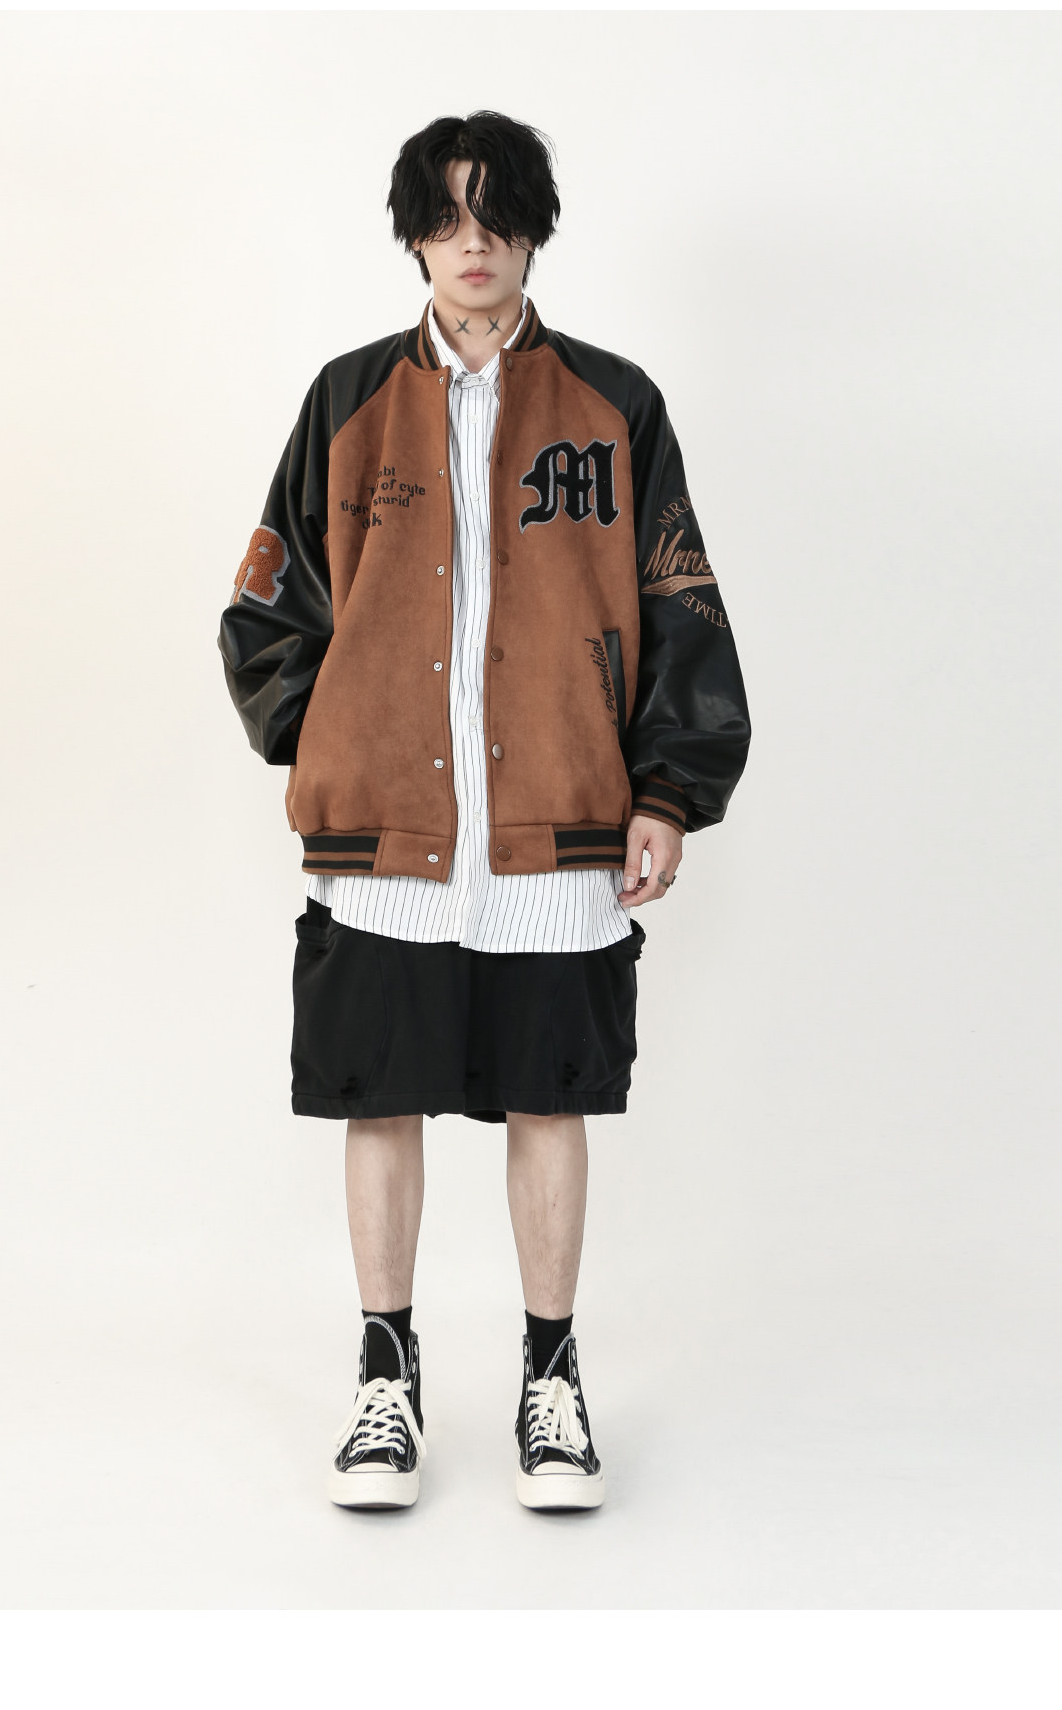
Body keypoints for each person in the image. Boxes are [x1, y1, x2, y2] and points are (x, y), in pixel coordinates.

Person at [217, 111, 750, 1512]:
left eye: (497, 215)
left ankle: (550, 1378)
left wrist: (668, 789)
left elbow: (679, 607)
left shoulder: (613, 405)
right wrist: (330, 739)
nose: (474, 243)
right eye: (448, 217)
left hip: (558, 826)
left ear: (533, 232)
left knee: (549, 1095)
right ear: (412, 234)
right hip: (383, 840)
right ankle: (384, 1375)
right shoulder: (347, 401)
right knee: (376, 1095)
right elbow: (266, 602)